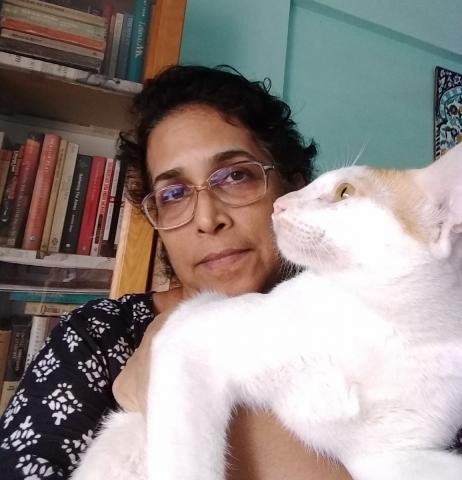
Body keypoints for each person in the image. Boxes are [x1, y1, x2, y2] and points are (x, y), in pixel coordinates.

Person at [0, 65, 458, 480]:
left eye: (236, 176)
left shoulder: (422, 347)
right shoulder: (96, 338)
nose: (207, 218)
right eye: (174, 194)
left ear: (291, 184)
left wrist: (166, 391)